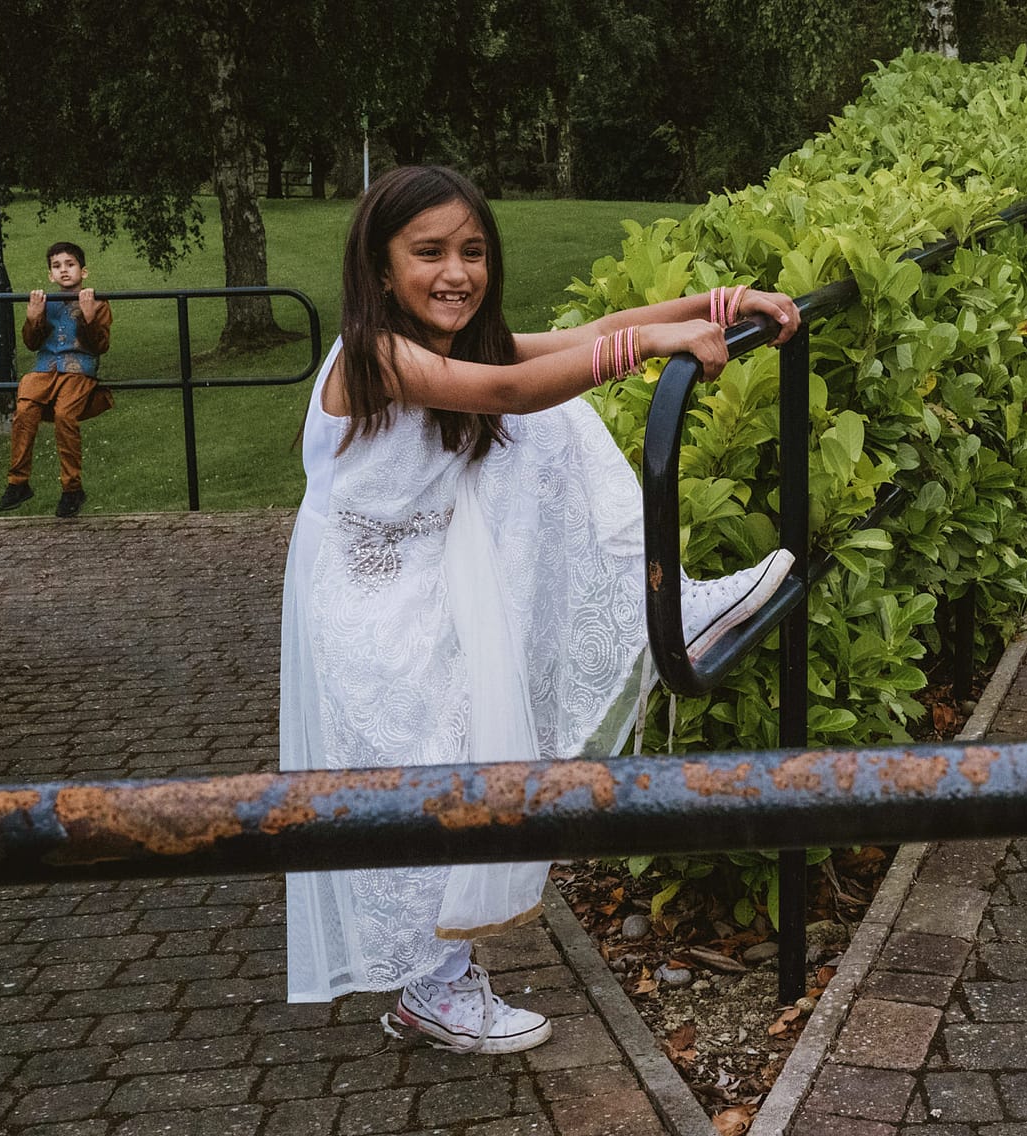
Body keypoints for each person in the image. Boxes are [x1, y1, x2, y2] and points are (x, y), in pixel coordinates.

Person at [281, 165, 799, 1053]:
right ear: (377, 271)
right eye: (429, 253)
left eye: (474, 252)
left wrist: (720, 302)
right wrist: (652, 350)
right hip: (366, 606)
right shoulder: (376, 354)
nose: (457, 273)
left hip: (430, 576)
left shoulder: (450, 344)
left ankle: (660, 604)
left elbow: (589, 332)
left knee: (555, 419)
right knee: (424, 777)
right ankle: (430, 988)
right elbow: (515, 391)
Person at [0, 241, 114, 517]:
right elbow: (32, 342)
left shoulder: (97, 302)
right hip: (45, 369)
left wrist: (88, 317)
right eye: (57, 266)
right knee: (25, 411)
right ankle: (18, 482)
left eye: (70, 264)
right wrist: (33, 318)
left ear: (83, 271)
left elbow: (100, 345)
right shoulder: (45, 302)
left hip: (78, 370)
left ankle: (72, 488)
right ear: (50, 274)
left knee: (65, 416)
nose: (64, 271)